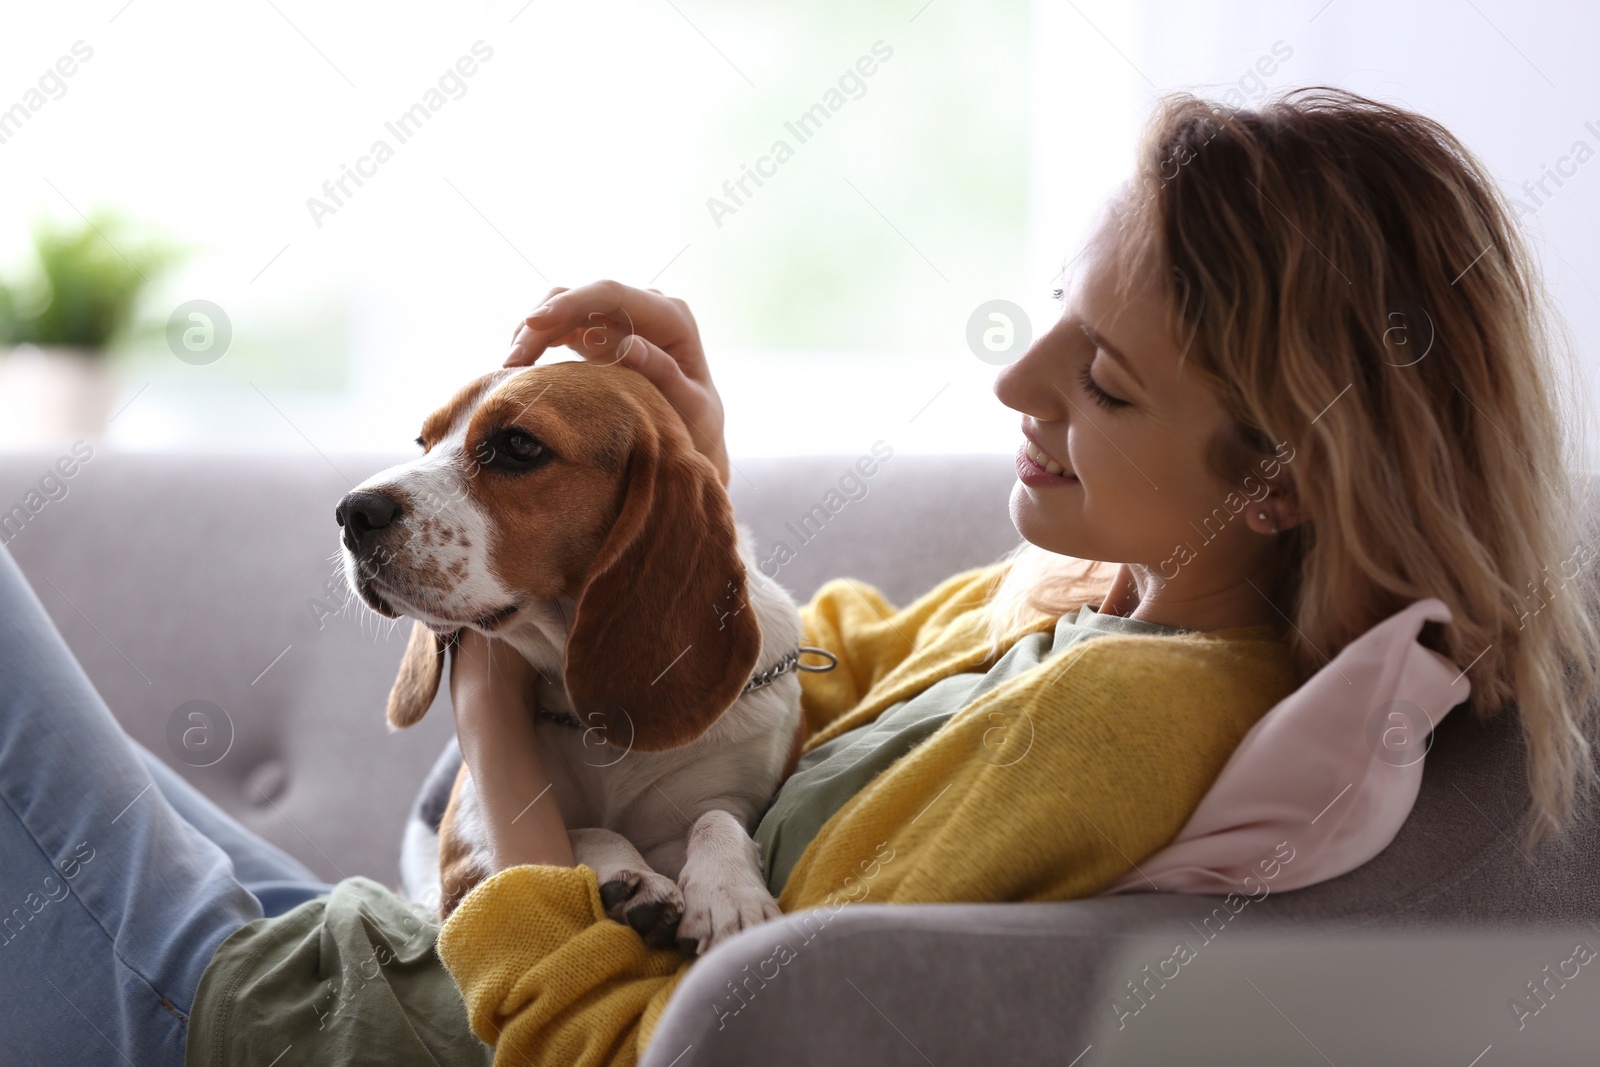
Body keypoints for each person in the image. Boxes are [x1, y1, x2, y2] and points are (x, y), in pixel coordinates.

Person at [2, 87, 1595, 1067]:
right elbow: (788, 690)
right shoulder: (1081, 605)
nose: (1012, 382)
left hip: (292, 1029)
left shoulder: (1111, 726)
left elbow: (645, 1046)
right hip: (358, 957)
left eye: (1101, 377)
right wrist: (678, 474)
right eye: (1052, 309)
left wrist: (494, 721)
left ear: (1278, 478)